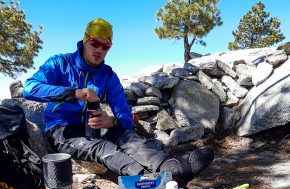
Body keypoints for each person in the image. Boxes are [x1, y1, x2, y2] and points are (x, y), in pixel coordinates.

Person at [23, 18, 214, 178]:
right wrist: (74, 93)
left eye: (105, 46)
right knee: (103, 148)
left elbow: (125, 116)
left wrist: (111, 121)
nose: (99, 50)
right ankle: (148, 180)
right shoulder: (60, 63)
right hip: (62, 130)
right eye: (95, 43)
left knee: (128, 136)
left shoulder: (108, 75)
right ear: (85, 40)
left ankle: (171, 167)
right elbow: (30, 88)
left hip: (93, 129)